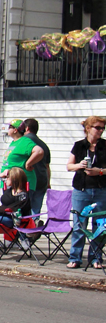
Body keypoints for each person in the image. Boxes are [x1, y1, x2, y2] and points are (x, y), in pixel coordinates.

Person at [66, 115, 106, 269]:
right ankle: (75, 257)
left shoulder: (105, 145)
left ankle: (96, 258)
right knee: (79, 225)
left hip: (101, 189)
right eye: (98, 127)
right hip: (81, 190)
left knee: (100, 225)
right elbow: (69, 166)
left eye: (103, 128)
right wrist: (79, 165)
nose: (101, 131)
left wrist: (100, 172)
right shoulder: (79, 146)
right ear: (88, 128)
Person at [0, 118, 43, 192]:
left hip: (20, 185)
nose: (7, 129)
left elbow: (39, 151)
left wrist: (28, 164)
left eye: (10, 127)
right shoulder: (14, 142)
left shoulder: (25, 141)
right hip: (9, 182)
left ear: (15, 130)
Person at [22, 118, 51, 216]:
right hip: (42, 180)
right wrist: (48, 183)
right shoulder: (44, 145)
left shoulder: (24, 142)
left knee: (24, 209)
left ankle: (25, 229)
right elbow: (47, 166)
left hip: (28, 180)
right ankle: (34, 227)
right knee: (36, 209)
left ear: (27, 128)